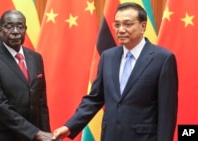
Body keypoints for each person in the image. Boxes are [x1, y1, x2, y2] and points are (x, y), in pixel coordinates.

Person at [52, 2, 178, 141]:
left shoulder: (162, 59)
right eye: (117, 25)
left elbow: (167, 112)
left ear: (143, 26)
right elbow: (95, 98)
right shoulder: (108, 57)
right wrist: (69, 127)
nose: (121, 29)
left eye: (127, 24)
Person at [0, 10, 53, 141]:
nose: (15, 31)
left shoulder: (35, 58)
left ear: (25, 30)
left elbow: (41, 102)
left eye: (20, 26)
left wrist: (46, 133)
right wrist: (36, 133)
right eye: (9, 26)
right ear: (0, 30)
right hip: (0, 135)